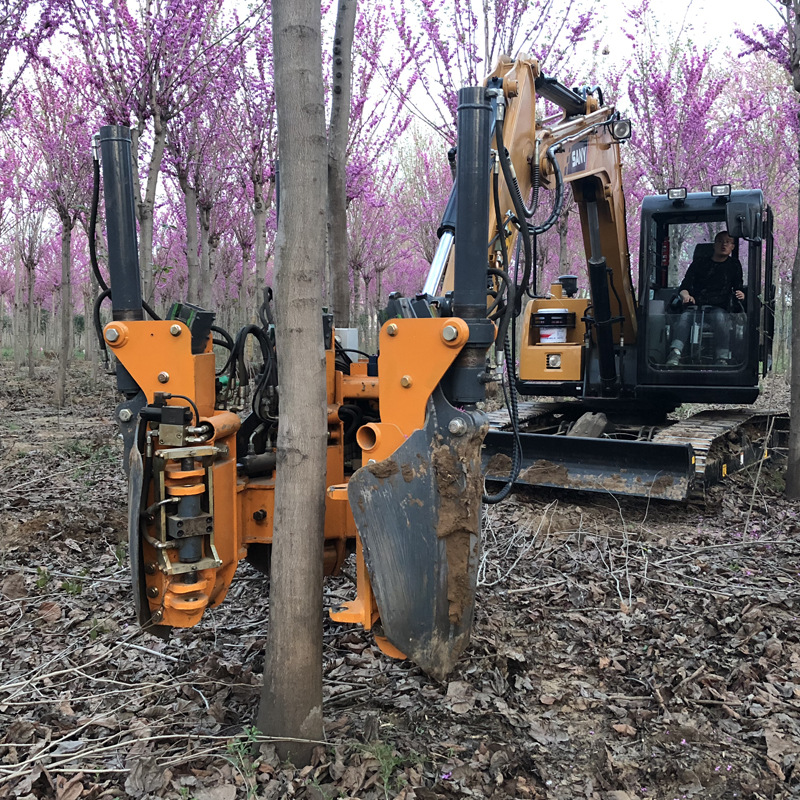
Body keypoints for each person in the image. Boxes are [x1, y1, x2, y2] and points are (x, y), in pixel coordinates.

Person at [665, 230, 745, 367]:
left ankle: (722, 358)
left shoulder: (734, 265)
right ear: (714, 244)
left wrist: (741, 295)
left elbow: (738, 288)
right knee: (684, 318)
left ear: (733, 246)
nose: (723, 245)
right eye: (720, 241)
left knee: (720, 319)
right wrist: (686, 296)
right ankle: (675, 353)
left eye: (728, 242)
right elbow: (684, 287)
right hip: (695, 307)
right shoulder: (698, 264)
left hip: (719, 308)